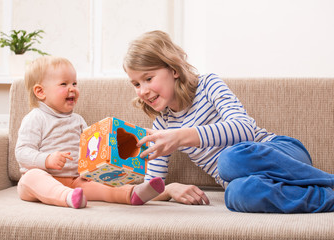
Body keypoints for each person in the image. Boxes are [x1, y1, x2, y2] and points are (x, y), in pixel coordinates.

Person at [123, 30, 334, 213]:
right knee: (236, 194)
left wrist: (180, 137)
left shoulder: (208, 85)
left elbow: (245, 130)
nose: (143, 91)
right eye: (136, 84)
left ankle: (327, 179)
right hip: (251, 182)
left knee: (230, 159)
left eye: (148, 79)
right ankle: (327, 197)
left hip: (281, 153)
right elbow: (150, 186)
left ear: (174, 70)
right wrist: (169, 188)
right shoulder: (163, 126)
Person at [15, 56, 165, 209]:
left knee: (101, 186)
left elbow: (87, 151)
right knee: (33, 177)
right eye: (64, 84)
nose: (72, 88)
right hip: (41, 180)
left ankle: (133, 193)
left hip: (74, 180)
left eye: (74, 83)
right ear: (40, 92)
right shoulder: (35, 118)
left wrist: (89, 171)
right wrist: (46, 159)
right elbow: (22, 152)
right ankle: (66, 197)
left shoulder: (78, 120)